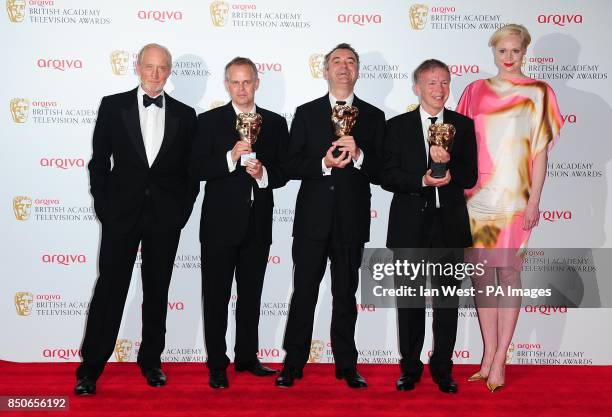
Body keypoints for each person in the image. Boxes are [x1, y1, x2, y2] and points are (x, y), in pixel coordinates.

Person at [75, 43, 198, 395]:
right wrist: (105, 207)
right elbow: (99, 162)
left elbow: (191, 173)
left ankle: (151, 360)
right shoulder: (113, 106)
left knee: (157, 291)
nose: (155, 73)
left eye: (162, 68)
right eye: (149, 66)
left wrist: (180, 211)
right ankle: (91, 368)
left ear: (169, 71)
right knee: (110, 289)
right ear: (138, 67)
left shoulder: (186, 115)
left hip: (164, 218)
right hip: (121, 216)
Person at [456, 24, 563, 392]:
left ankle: (501, 358)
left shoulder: (539, 93)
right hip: (478, 199)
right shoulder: (474, 91)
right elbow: (463, 146)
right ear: (494, 51)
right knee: (483, 276)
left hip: (516, 198)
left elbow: (540, 153)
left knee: (509, 276)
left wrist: (535, 200)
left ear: (524, 52)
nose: (508, 57)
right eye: (502, 50)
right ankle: (487, 355)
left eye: (514, 50)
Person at [276, 43, 385, 388]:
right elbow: (291, 165)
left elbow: (383, 171)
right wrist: (323, 164)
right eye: (336, 61)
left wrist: (362, 155)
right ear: (325, 71)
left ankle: (346, 365)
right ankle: (293, 363)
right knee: (304, 291)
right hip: (312, 219)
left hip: (351, 221)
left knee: (345, 293)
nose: (343, 66)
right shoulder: (306, 113)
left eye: (350, 61)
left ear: (357, 71)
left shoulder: (374, 116)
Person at [190, 57, 288, 389]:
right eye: (235, 82)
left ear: (257, 83)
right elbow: (197, 169)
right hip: (219, 226)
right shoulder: (209, 121)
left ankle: (247, 357)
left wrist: (264, 175)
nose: (242, 88)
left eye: (247, 82)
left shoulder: (274, 123)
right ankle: (217, 363)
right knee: (216, 297)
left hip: (258, 224)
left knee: (251, 296)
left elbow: (284, 172)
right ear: (227, 85)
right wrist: (230, 158)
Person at [381, 59, 477, 394]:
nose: (439, 89)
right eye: (432, 83)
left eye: (444, 83)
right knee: (409, 302)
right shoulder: (397, 127)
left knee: (447, 302)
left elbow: (471, 175)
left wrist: (452, 173)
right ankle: (409, 368)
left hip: (449, 226)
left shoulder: (463, 126)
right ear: (417, 88)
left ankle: (443, 369)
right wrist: (420, 180)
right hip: (409, 226)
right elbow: (386, 175)